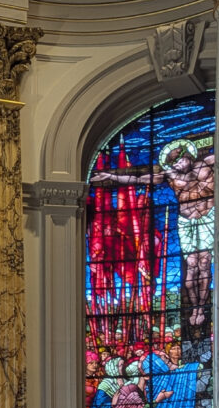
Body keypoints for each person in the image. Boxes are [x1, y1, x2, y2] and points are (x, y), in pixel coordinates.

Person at [91, 138, 214, 326]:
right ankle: (194, 306)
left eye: (181, 159)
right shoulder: (171, 175)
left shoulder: (207, 164)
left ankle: (200, 308)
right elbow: (139, 178)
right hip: (186, 221)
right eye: (174, 163)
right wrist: (113, 177)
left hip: (208, 217)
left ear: (189, 156)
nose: (179, 164)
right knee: (191, 267)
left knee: (204, 264)